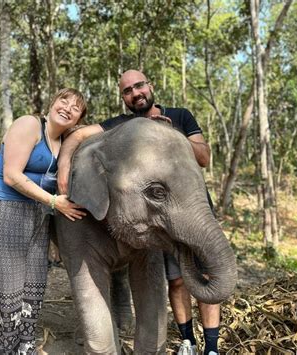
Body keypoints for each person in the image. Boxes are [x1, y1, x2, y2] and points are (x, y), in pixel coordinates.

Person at [57, 70, 220, 355]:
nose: (135, 93)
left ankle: (211, 347)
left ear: (150, 86)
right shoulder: (120, 127)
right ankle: (186, 341)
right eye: (128, 91)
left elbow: (204, 156)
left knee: (207, 275)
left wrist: (171, 134)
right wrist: (64, 167)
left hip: (187, 212)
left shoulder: (179, 116)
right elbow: (80, 136)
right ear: (124, 98)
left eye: (140, 86)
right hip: (146, 214)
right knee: (177, 280)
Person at [0, 88, 87, 354]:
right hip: (5, 209)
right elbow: (11, 175)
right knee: (7, 284)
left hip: (38, 214)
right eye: (64, 100)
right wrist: (53, 202)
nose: (68, 108)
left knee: (34, 283)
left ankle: (23, 345)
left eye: (76, 107)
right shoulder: (29, 124)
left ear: (78, 120)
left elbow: (99, 129)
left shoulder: (66, 139)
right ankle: (0, 348)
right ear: (52, 102)